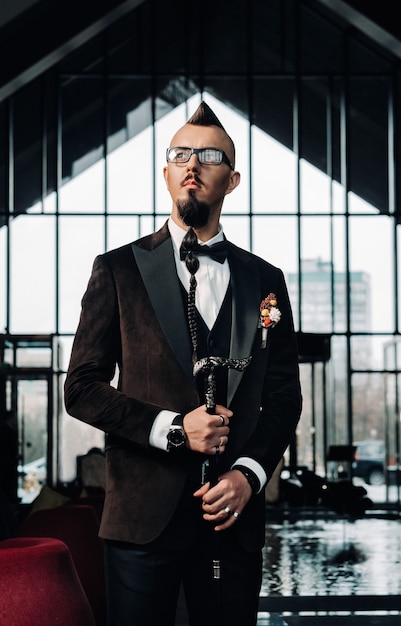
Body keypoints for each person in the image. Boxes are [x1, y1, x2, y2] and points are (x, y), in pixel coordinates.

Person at [64, 101, 302, 626]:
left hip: (232, 518)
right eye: (180, 153)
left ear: (232, 180)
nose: (192, 163)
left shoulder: (267, 281)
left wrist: (250, 474)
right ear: (167, 171)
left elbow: (285, 396)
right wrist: (173, 429)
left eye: (209, 155)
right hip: (141, 521)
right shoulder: (117, 270)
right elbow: (80, 387)